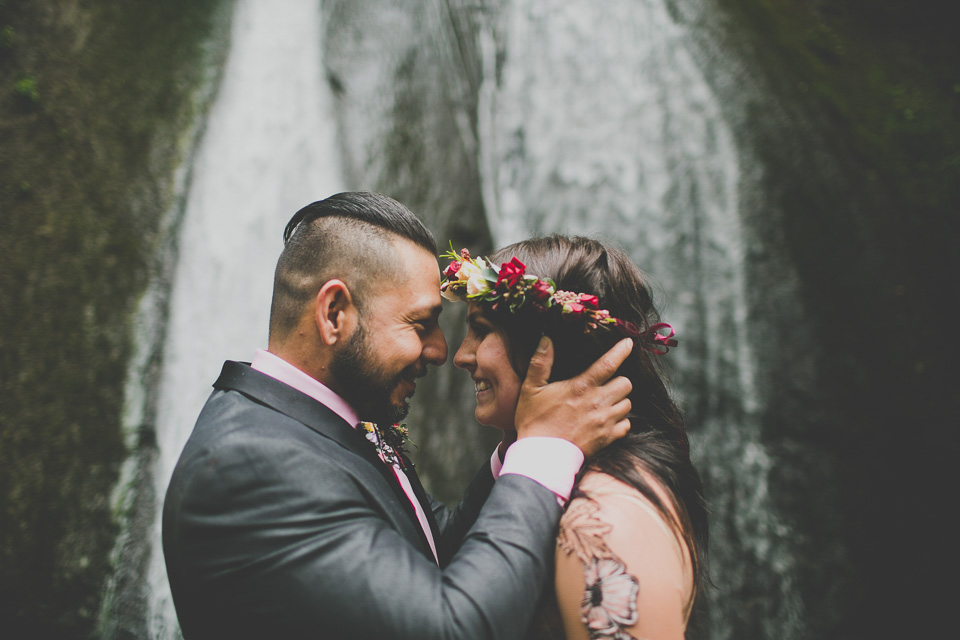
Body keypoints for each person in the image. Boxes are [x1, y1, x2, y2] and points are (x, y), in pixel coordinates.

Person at [162, 192, 636, 640]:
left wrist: (522, 442)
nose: (441, 351)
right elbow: (451, 629)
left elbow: (435, 546)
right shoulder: (255, 464)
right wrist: (545, 452)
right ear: (333, 314)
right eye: (419, 324)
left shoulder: (313, 424)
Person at [442, 235, 709, 640]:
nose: (461, 355)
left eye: (481, 331)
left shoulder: (604, 520)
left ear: (547, 345)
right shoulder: (567, 479)